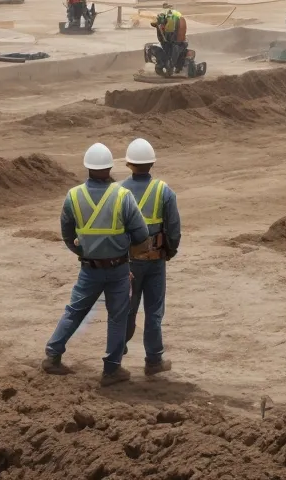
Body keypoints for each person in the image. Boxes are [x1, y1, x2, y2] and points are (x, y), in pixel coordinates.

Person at [42, 143, 151, 385]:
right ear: (110, 167)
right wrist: (122, 246)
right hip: (119, 269)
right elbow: (141, 234)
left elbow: (67, 233)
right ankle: (111, 369)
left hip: (89, 269)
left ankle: (52, 355)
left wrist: (83, 251)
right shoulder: (123, 196)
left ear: (87, 168)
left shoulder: (73, 196)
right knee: (117, 317)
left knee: (74, 311)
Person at [118, 138, 180, 376]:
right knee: (154, 311)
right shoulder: (164, 191)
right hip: (155, 261)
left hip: (128, 262)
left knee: (126, 309)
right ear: (152, 163)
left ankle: (116, 354)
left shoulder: (118, 192)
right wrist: (169, 251)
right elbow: (174, 228)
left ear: (128, 164)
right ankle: (153, 361)